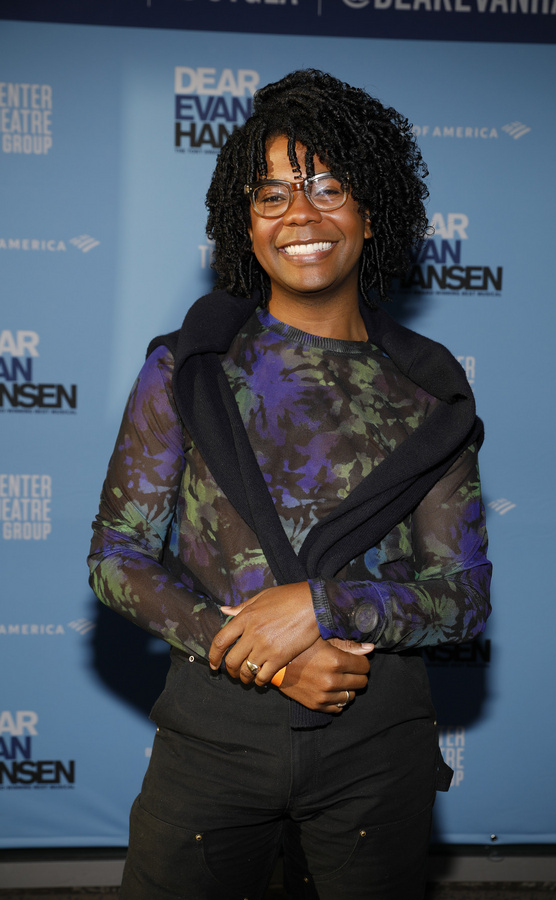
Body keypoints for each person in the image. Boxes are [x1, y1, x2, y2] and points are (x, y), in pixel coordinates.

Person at [88, 69, 492, 900]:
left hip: (377, 745)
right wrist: (265, 658)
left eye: (328, 188)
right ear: (245, 223)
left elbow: (464, 595)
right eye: (270, 195)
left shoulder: (428, 387)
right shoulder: (188, 366)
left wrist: (320, 606)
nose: (299, 215)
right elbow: (116, 556)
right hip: (213, 739)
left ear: (372, 211)